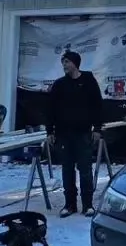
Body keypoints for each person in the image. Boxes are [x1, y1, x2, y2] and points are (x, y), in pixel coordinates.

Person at [45, 50, 104, 218]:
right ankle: (69, 204)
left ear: (75, 63)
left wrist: (98, 129)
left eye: (67, 62)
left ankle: (88, 205)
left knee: (85, 169)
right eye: (63, 62)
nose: (64, 65)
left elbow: (97, 106)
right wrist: (50, 131)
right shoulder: (59, 85)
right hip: (63, 134)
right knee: (67, 169)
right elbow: (50, 110)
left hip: (84, 133)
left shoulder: (88, 81)